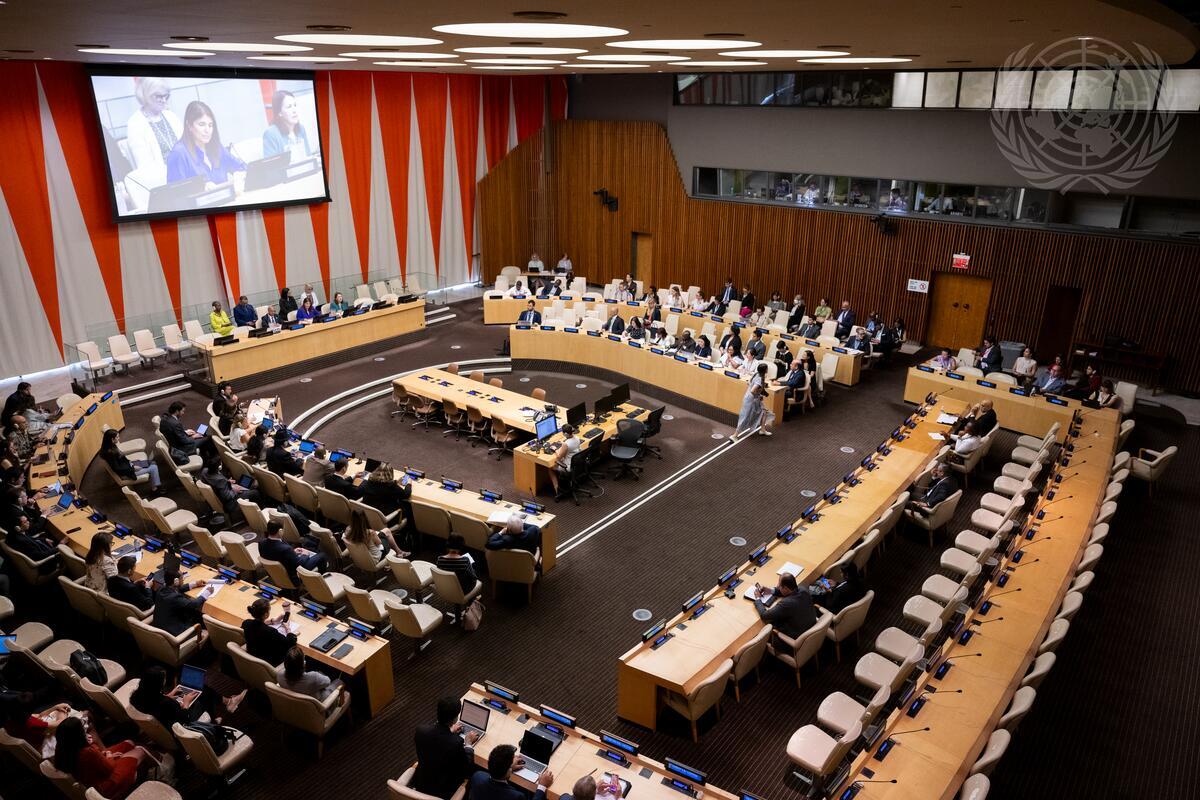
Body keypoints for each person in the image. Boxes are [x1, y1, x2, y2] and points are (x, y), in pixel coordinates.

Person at [52, 716, 147, 800]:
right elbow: (109, 768)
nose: (84, 729)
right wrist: (109, 756)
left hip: (93, 775)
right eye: (82, 728)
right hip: (105, 783)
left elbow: (92, 760)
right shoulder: (87, 752)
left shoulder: (62, 748)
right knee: (140, 751)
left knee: (129, 743)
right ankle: (144, 779)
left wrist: (103, 754)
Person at [130, 665, 245, 730]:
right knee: (202, 695)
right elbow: (183, 719)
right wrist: (186, 703)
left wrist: (169, 695)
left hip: (164, 717)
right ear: (158, 683)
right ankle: (214, 720)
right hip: (181, 723)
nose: (165, 680)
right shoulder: (165, 703)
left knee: (200, 691)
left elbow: (156, 703)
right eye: (164, 678)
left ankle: (227, 702)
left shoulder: (136, 696)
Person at [413, 696, 480, 800]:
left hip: (421, 783)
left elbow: (435, 744)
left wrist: (450, 732)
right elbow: (466, 770)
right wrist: (468, 744)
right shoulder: (456, 743)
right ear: (455, 718)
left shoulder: (421, 730)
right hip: (443, 792)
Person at [166, 100, 246, 186]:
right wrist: (200, 188)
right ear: (189, 126)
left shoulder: (217, 147)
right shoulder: (179, 153)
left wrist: (239, 174)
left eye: (210, 125)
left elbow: (242, 168)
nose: (207, 130)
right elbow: (175, 191)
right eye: (201, 124)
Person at [125, 76, 182, 172]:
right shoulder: (135, 124)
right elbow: (145, 166)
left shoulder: (171, 116)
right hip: (161, 177)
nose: (164, 100)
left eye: (166, 96)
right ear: (145, 96)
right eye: (159, 96)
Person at [470, 744, 554, 800]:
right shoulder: (516, 796)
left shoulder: (478, 776)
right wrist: (542, 786)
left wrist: (509, 767)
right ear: (508, 770)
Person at [751, 572, 816, 638]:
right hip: (810, 628)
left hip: (794, 636)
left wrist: (758, 598)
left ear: (785, 588)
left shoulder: (786, 604)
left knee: (766, 626)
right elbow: (788, 592)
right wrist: (771, 591)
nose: (778, 587)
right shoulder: (803, 589)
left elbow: (764, 615)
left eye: (779, 586)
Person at [151, 569, 214, 636]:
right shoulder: (174, 597)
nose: (183, 579)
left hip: (161, 626)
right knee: (200, 617)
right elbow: (193, 604)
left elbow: (177, 589)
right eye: (181, 577)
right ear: (176, 581)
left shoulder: (161, 589)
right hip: (175, 632)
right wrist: (207, 593)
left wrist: (195, 584)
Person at [259, 521, 326, 581]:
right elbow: (299, 563)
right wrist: (305, 554)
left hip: (275, 574)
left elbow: (276, 554)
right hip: (292, 576)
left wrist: (293, 552)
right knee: (322, 555)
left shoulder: (261, 543)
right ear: (280, 531)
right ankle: (320, 581)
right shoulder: (286, 549)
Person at [242, 597, 297, 666]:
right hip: (270, 661)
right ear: (266, 614)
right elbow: (290, 643)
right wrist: (288, 628)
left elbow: (258, 624)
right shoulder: (270, 631)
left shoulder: (246, 623)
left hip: (253, 655)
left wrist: (274, 621)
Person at [279, 646, 345, 702]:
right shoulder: (313, 677)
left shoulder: (279, 675)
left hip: (295, 704)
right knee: (339, 681)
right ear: (303, 663)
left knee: (320, 674)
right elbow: (328, 682)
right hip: (321, 705)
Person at [262, 89, 312, 159]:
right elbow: (270, 165)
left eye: (295, 105)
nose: (294, 110)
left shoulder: (301, 128)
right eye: (289, 107)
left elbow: (308, 156)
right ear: (279, 112)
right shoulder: (271, 134)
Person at [360, 462, 413, 527]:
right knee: (408, 508)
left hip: (369, 516)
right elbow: (406, 494)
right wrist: (409, 484)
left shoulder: (370, 481)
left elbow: (381, 486)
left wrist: (396, 482)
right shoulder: (390, 486)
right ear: (390, 474)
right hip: (387, 518)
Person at [548, 424, 581, 496]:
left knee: (550, 468)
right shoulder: (577, 438)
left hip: (567, 467)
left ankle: (557, 490)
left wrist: (555, 449)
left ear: (565, 434)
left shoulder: (566, 444)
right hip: (576, 464)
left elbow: (559, 457)